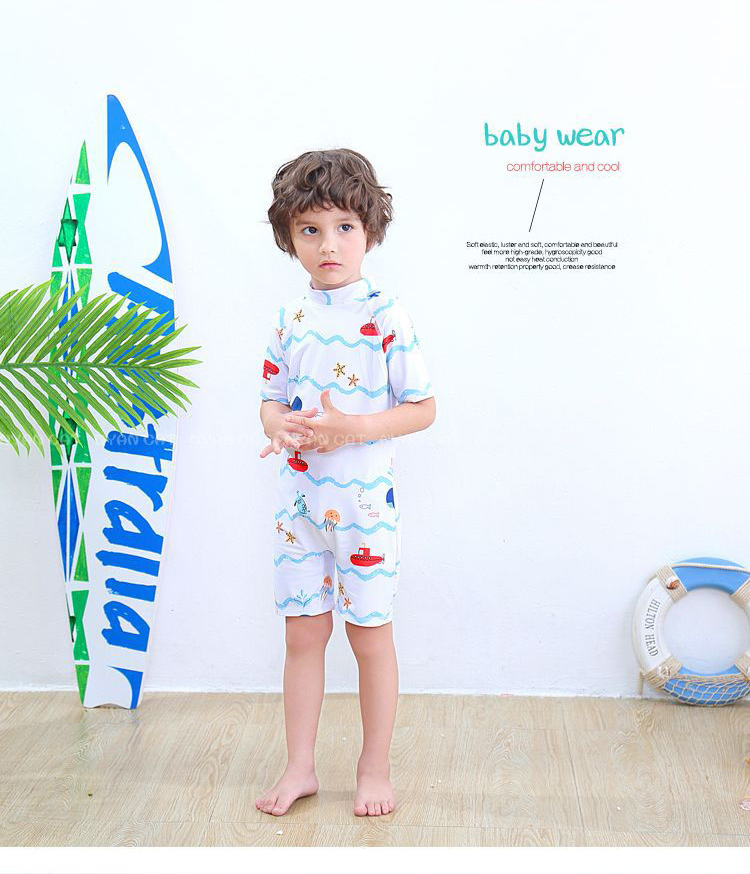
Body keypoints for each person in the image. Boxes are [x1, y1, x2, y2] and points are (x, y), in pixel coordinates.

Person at [256, 149, 436, 818]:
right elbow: (271, 399)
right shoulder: (290, 318)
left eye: (344, 227)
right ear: (289, 237)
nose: (328, 245)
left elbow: (422, 408)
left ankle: (373, 768)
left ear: (369, 231)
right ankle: (299, 767)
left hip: (364, 512)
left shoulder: (387, 315)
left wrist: (351, 429)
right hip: (298, 510)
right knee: (302, 636)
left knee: (369, 637)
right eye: (310, 230)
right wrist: (278, 424)